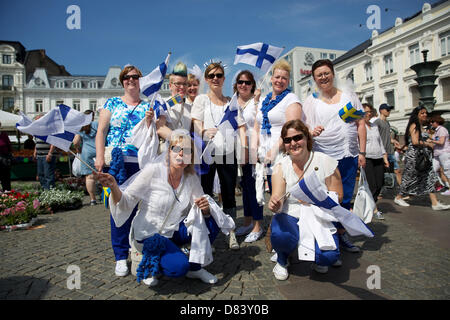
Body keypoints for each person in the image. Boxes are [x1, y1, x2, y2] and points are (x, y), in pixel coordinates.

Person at [94, 130, 235, 286]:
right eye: (176, 149)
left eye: (187, 151)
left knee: (213, 219)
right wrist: (114, 186)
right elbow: (127, 201)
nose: (181, 153)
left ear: (191, 157)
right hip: (150, 233)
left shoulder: (191, 177)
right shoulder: (153, 171)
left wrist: (206, 209)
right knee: (178, 267)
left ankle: (195, 268)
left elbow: (202, 206)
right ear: (169, 151)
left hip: (174, 230)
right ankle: (147, 259)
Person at [95, 65, 154, 277]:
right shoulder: (112, 103)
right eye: (127, 77)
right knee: (118, 207)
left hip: (139, 162)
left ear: (140, 80)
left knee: (141, 208)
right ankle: (120, 256)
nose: (131, 80)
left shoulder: (147, 106)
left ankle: (137, 248)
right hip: (116, 161)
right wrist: (100, 156)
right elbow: (101, 131)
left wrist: (150, 121)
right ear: (122, 81)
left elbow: (151, 137)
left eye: (135, 77)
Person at [302, 59, 366, 253]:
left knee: (345, 197)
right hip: (324, 155)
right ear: (314, 79)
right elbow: (303, 126)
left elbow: (360, 124)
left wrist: (362, 152)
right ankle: (326, 239)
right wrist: (312, 130)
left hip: (348, 152)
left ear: (333, 74)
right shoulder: (311, 100)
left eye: (326, 73)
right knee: (328, 197)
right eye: (319, 75)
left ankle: (341, 235)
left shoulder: (348, 96)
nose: (323, 77)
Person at [268, 120, 343, 279]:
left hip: (319, 215)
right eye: (288, 140)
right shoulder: (281, 166)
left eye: (297, 138)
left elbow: (338, 196)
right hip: (291, 214)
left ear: (307, 138)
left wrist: (315, 200)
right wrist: (275, 204)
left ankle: (318, 258)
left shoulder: (325, 161)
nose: (293, 143)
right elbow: (278, 197)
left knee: (328, 257)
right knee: (281, 236)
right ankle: (282, 259)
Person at [191, 61, 247, 250]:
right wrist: (204, 132)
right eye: (212, 75)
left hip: (228, 152)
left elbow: (240, 125)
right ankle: (209, 231)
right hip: (207, 150)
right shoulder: (201, 100)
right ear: (207, 79)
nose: (216, 78)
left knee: (229, 192)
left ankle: (230, 231)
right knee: (206, 191)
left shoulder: (230, 101)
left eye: (219, 75)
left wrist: (245, 147)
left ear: (224, 78)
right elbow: (196, 122)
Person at [251, 60, 303, 191]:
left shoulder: (291, 99)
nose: (280, 80)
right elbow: (257, 127)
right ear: (272, 78)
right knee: (274, 197)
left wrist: (274, 150)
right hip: (266, 156)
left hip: (283, 155)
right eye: (277, 77)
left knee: (284, 196)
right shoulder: (265, 101)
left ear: (288, 81)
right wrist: (255, 150)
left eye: (284, 78)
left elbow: (292, 129)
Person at [232, 70, 264, 243]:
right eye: (240, 82)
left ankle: (258, 225)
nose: (243, 85)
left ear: (253, 85)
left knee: (254, 186)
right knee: (245, 188)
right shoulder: (232, 102)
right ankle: (247, 221)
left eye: (247, 82)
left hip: (253, 149)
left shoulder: (256, 101)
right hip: (235, 150)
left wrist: (258, 101)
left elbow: (261, 120)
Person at [398, 106, 450, 210]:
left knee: (429, 178)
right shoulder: (414, 125)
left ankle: (435, 203)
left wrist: (431, 139)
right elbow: (415, 141)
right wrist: (427, 144)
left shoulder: (421, 126)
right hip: (415, 157)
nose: (425, 115)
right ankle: (398, 197)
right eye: (422, 113)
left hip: (423, 156)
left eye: (425, 113)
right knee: (409, 179)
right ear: (416, 115)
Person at [372, 103, 408, 206]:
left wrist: (393, 141)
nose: (389, 111)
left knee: (397, 171)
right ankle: (378, 192)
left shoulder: (387, 123)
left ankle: (401, 193)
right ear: (381, 110)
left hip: (390, 152)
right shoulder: (377, 122)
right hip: (382, 153)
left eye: (389, 110)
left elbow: (387, 137)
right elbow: (375, 136)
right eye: (387, 110)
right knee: (381, 173)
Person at [363, 104, 389, 220]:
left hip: (378, 157)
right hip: (367, 158)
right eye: (365, 112)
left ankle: (369, 205)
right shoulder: (359, 126)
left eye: (369, 111)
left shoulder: (374, 125)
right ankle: (373, 209)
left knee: (379, 185)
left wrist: (385, 157)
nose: (368, 114)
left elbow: (380, 143)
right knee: (372, 185)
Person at [158, 62, 193, 144]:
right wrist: (178, 141)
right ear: (170, 86)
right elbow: (160, 128)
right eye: (178, 84)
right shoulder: (163, 103)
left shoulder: (190, 107)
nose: (182, 87)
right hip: (167, 151)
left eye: (185, 84)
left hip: (185, 152)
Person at [73, 110, 98, 205]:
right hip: (99, 151)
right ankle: (107, 196)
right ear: (92, 116)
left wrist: (78, 149)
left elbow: (75, 142)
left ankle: (93, 199)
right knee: (103, 175)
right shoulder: (96, 124)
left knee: (89, 177)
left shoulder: (80, 127)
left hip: (86, 153)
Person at [33, 114, 57, 190]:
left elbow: (54, 142)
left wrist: (50, 153)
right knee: (40, 175)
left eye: (38, 120)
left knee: (48, 175)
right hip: (39, 156)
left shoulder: (49, 129)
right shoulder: (37, 130)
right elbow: (36, 142)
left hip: (47, 155)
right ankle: (45, 190)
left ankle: (50, 192)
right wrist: (35, 152)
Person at [428, 115, 450, 195]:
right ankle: (443, 185)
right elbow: (434, 141)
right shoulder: (436, 131)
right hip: (437, 154)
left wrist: (431, 141)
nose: (431, 123)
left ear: (437, 122)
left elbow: (441, 142)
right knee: (432, 170)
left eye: (432, 122)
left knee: (447, 171)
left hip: (444, 153)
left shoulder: (442, 129)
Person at [0, 122, 13, 192]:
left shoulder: (4, 135)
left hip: (4, 158)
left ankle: (7, 193)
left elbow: (9, 146)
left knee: (5, 178)